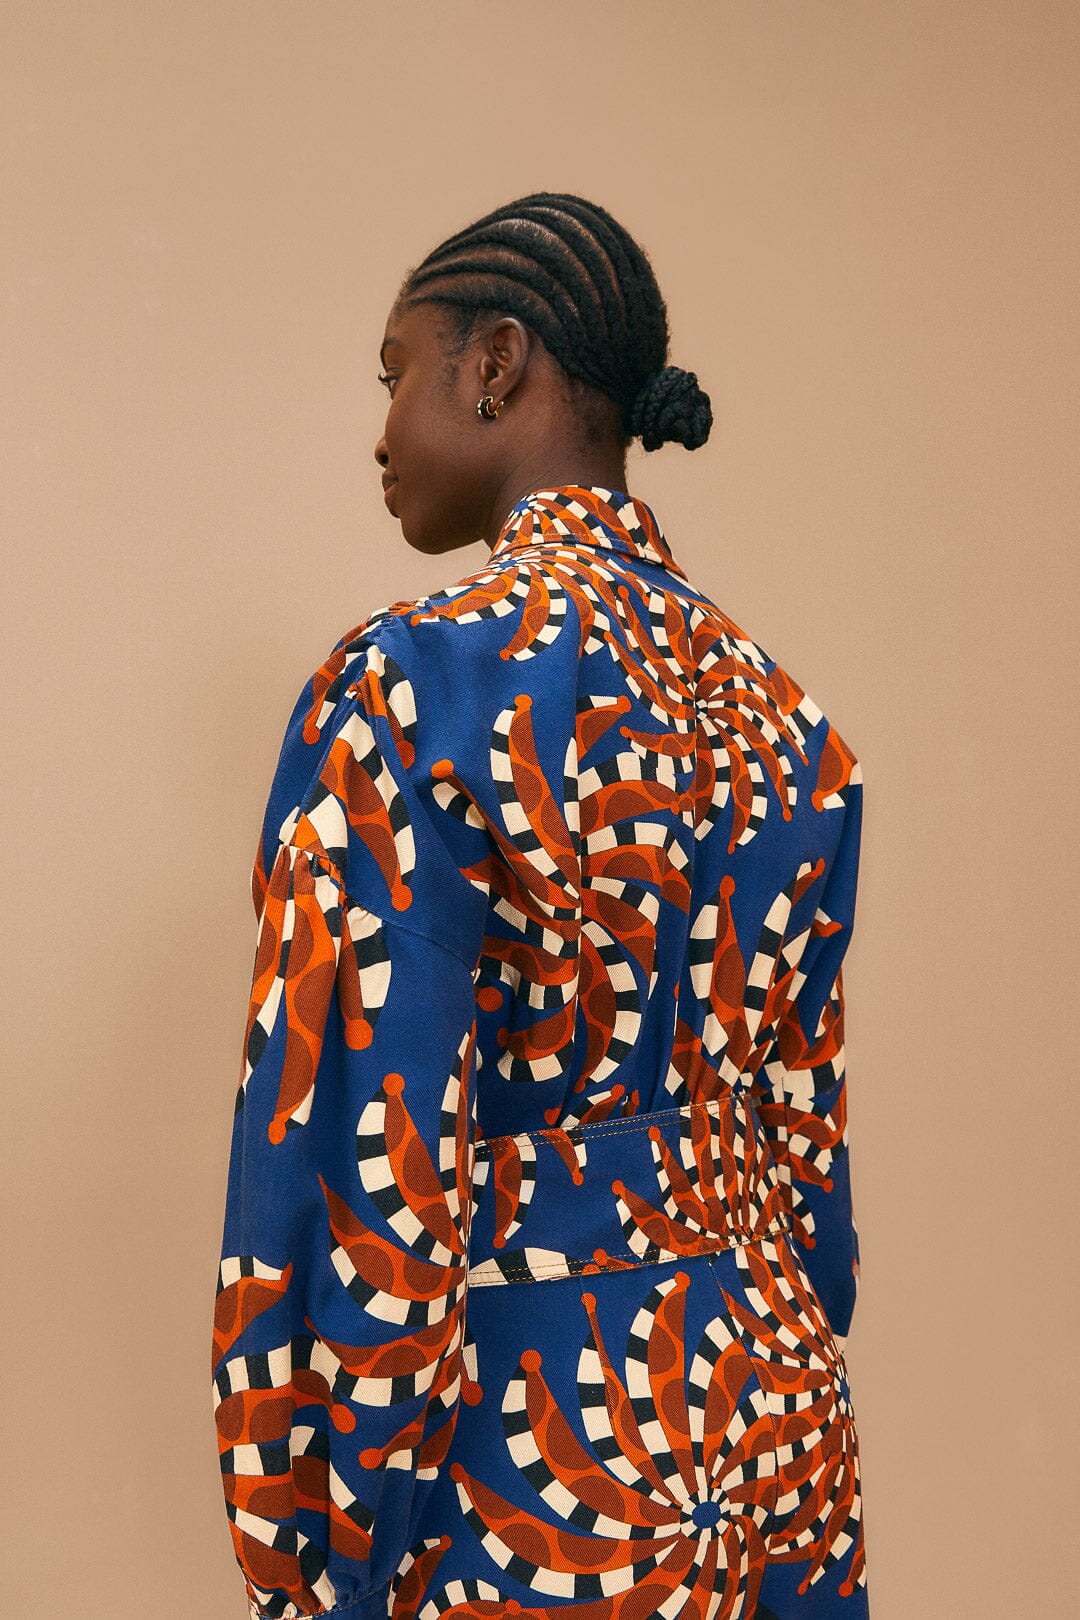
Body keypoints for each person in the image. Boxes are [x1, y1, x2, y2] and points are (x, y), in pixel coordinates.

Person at [210, 191, 870, 1620]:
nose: (381, 432)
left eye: (396, 372)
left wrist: (319, 1537)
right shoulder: (787, 719)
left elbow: (361, 1153)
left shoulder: (417, 688)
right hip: (772, 1426)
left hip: (537, 1438)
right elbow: (805, 1144)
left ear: (496, 364)